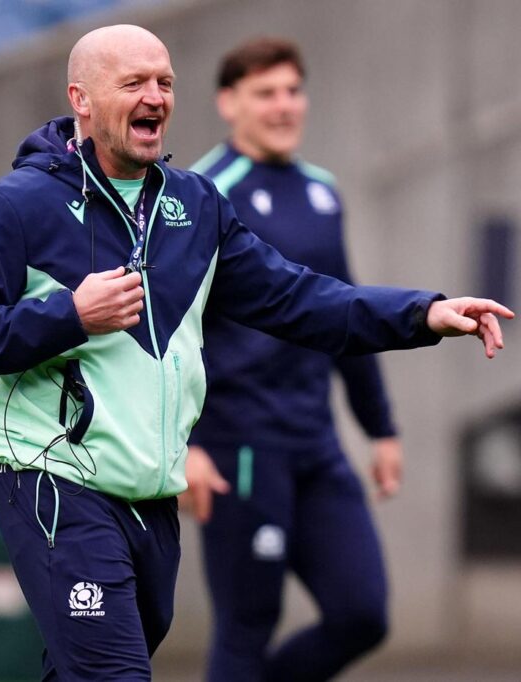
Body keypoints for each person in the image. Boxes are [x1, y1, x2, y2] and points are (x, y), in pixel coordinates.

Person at [0, 23, 513, 682]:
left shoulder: (194, 205)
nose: (156, 96)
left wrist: (422, 312)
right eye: (133, 82)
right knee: (114, 675)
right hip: (53, 484)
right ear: (80, 99)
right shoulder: (15, 206)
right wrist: (69, 315)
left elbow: (299, 299)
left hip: (150, 496)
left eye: (165, 82)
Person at [181, 36, 408, 681]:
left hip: (316, 442)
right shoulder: (201, 196)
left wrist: (381, 427)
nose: (284, 106)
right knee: (247, 626)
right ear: (229, 103)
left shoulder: (322, 192)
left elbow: (344, 314)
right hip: (238, 448)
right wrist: (183, 443)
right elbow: (170, 332)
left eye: (292, 91)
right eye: (265, 93)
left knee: (362, 613)